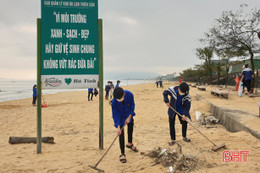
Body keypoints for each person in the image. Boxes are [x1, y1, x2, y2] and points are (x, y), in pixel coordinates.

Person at [111, 87, 138, 163]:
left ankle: (130, 144)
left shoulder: (129, 94)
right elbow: (115, 114)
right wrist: (118, 126)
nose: (119, 100)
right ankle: (122, 153)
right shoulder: (114, 101)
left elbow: (132, 106)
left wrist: (129, 117)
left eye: (120, 98)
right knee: (121, 133)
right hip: (120, 117)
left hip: (128, 114)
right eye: (117, 99)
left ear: (124, 94)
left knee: (130, 126)